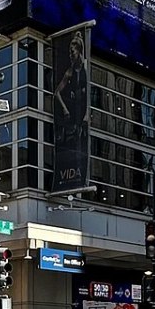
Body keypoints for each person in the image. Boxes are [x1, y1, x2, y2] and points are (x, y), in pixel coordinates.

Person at [52, 30, 89, 191]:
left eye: (72, 52)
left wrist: (87, 114)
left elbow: (89, 93)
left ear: (79, 50)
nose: (71, 55)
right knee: (73, 145)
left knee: (82, 146)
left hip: (83, 115)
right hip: (74, 114)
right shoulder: (70, 71)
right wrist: (65, 109)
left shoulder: (87, 68)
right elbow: (57, 93)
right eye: (69, 52)